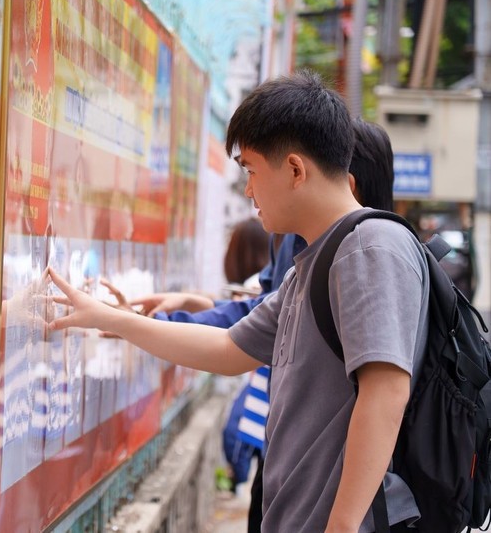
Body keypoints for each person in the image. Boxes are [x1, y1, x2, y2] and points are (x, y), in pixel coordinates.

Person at [48, 71, 428, 532]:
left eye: (251, 171)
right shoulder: (309, 267)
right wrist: (115, 320)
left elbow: (386, 391)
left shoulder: (369, 248)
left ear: (295, 170)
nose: (248, 190)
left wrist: (343, 527)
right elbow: (228, 349)